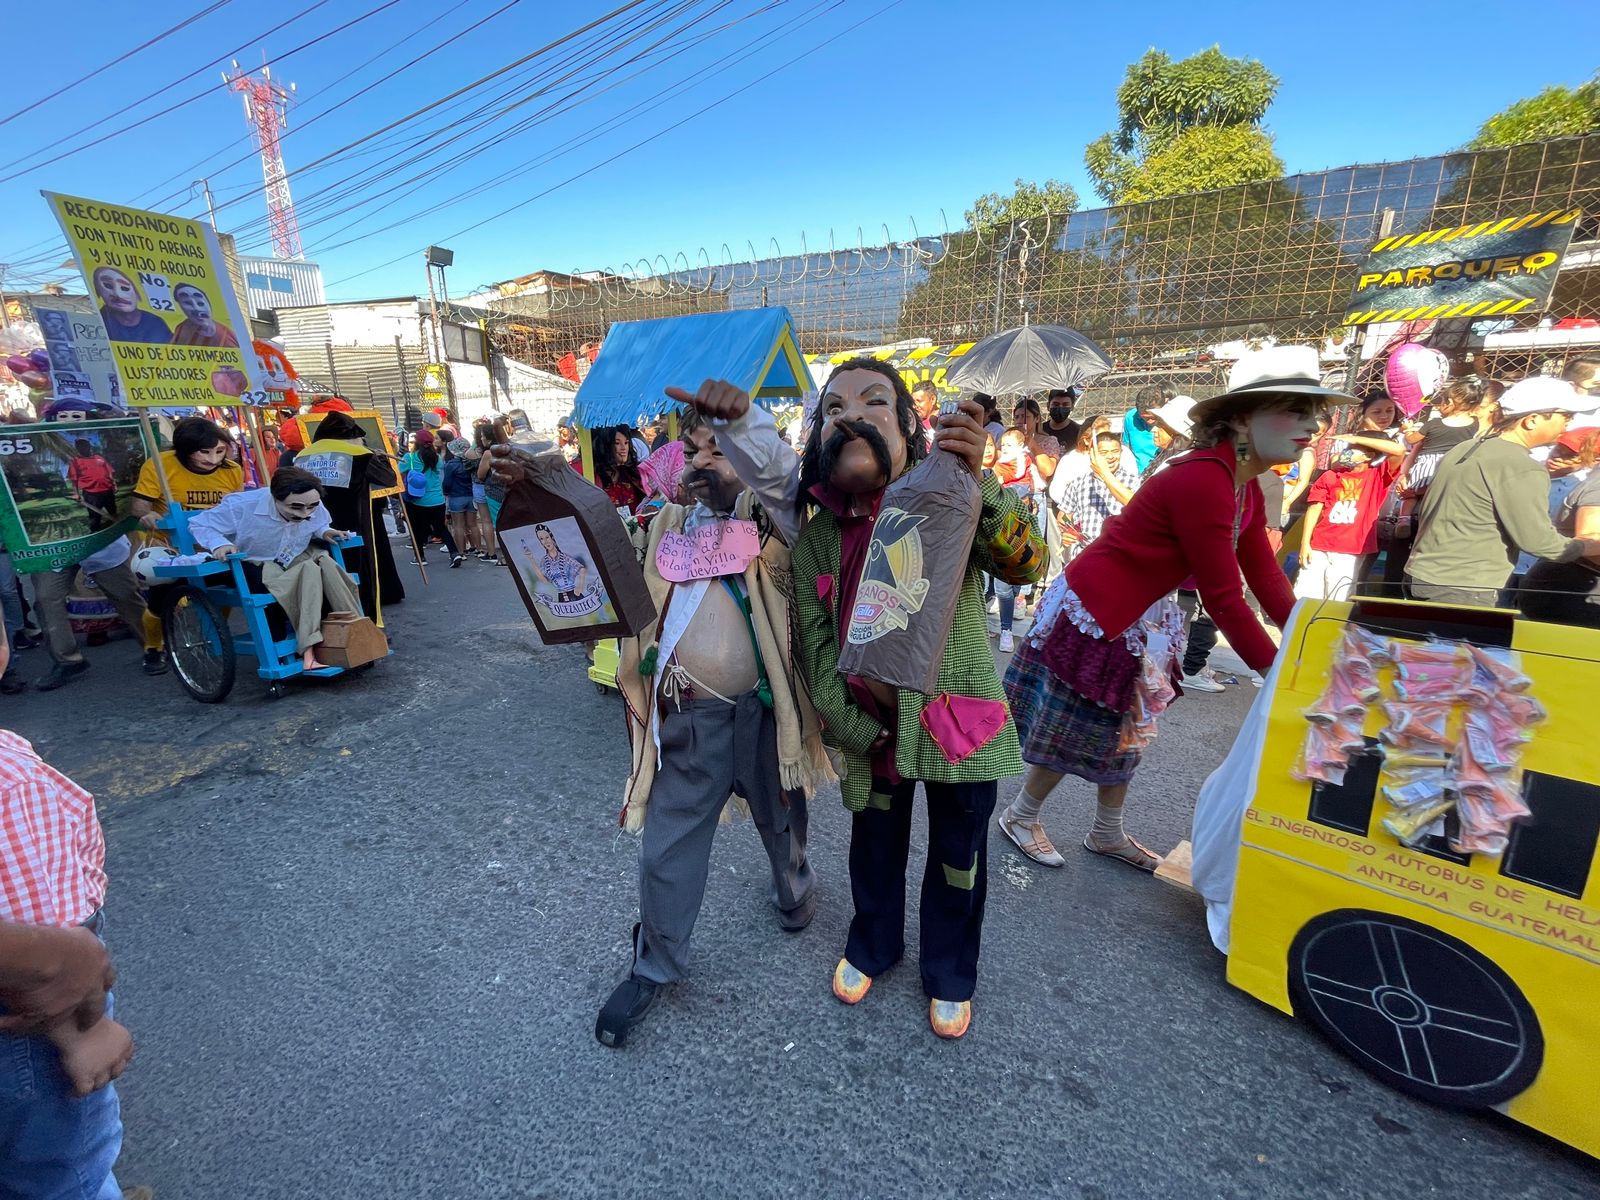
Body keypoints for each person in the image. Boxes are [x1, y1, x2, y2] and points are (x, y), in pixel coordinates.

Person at [683, 360, 1046, 1040]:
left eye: (875, 402)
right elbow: (815, 646)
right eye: (834, 408)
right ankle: (873, 941)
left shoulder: (951, 500)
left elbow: (1029, 565)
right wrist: (850, 724)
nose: (851, 416)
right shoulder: (819, 537)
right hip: (870, 731)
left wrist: (983, 484)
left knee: (959, 858)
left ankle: (950, 969)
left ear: (910, 428)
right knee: (873, 848)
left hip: (958, 728)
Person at [508, 405, 829, 1048]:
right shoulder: (663, 527)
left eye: (721, 449)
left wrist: (749, 436)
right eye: (696, 450)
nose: (704, 461)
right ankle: (654, 962)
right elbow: (584, 542)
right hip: (688, 719)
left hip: (764, 716)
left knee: (783, 817)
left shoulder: (775, 521)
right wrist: (534, 483)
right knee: (666, 847)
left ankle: (794, 889)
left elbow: (785, 483)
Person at [998, 346, 1338, 873]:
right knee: (1078, 726)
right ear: (1242, 419)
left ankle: (1106, 831)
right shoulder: (1204, 479)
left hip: (1144, 616)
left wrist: (1308, 642)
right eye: (1296, 411)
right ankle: (1021, 815)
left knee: (1131, 730)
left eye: (1313, 413)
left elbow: (1265, 576)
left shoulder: (1241, 485)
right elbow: (1224, 597)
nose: (1312, 426)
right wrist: (1279, 670)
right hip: (1101, 613)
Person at [1, 632, 137, 1195]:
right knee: (63, 1175)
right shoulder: (10, 781)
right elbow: (49, 952)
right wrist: (84, 1031)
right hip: (32, 1029)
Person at [1408, 377, 1600, 607]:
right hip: (1463, 586)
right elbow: (1541, 542)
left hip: (1422, 573)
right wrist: (1589, 545)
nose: (1568, 424)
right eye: (1565, 416)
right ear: (1532, 420)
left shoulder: (1467, 447)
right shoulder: (1522, 466)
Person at [188, 468, 359, 672]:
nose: (304, 513)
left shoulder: (310, 500)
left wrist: (325, 531)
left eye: (311, 507)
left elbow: (318, 523)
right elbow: (200, 524)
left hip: (292, 556)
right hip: (252, 562)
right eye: (295, 507)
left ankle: (345, 636)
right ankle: (290, 646)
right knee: (283, 582)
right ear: (275, 497)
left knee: (324, 569)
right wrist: (220, 544)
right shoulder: (242, 505)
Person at [130, 416, 246, 675]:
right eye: (204, 452)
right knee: (160, 600)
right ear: (185, 449)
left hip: (212, 544)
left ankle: (215, 632)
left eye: (219, 451)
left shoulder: (232, 470)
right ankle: (153, 647)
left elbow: (236, 507)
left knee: (227, 586)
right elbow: (138, 505)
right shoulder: (160, 464)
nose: (213, 459)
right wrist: (147, 514)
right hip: (169, 544)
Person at [305, 410, 405, 621]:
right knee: (360, 575)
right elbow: (388, 479)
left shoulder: (304, 456)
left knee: (325, 575)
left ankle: (330, 623)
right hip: (354, 526)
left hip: (315, 525)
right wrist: (379, 458)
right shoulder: (359, 456)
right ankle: (364, 624)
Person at [1293, 434, 1406, 602]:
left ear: (1369, 456)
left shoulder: (1376, 476)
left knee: (1338, 596)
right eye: (1347, 448)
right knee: (1305, 593)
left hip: (1351, 549)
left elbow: (1399, 450)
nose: (1346, 453)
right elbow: (1314, 509)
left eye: (1353, 449)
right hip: (1319, 544)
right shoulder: (1330, 475)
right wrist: (1305, 544)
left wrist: (1356, 438)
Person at [399, 441, 460, 566]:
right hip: (437, 499)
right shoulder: (437, 457)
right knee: (441, 527)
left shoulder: (409, 457)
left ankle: (420, 557)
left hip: (417, 499)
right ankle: (454, 553)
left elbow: (398, 470)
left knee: (416, 529)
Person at [92, 267, 170, 345]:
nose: (118, 294)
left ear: (137, 292)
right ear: (99, 291)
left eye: (125, 288)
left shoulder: (156, 323)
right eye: (108, 286)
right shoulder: (98, 323)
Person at [587, 425, 646, 511]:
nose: (624, 448)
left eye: (626, 443)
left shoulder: (634, 474)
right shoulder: (592, 477)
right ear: (605, 446)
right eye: (617, 443)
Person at [67, 439, 118, 532]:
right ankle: (95, 532)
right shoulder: (75, 461)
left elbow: (109, 471)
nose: (83, 447)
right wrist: (76, 494)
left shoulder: (99, 458)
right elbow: (74, 479)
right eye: (80, 445)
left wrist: (114, 484)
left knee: (113, 512)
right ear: (77, 448)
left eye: (85, 445)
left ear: (89, 446)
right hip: (91, 494)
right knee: (95, 517)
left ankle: (116, 529)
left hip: (107, 490)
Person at [1124, 382, 1174, 474]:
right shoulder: (1131, 418)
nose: (1149, 421)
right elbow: (1126, 449)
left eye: (1153, 417)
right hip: (1139, 474)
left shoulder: (1173, 421)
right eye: (1144, 418)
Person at [441, 438, 477, 566]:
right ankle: (478, 549)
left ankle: (461, 552)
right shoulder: (471, 462)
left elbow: (447, 483)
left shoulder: (450, 465)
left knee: (458, 526)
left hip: (456, 496)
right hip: (471, 495)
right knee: (473, 524)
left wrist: (445, 492)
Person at [169, 283, 240, 348]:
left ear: (208, 304)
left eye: (200, 303)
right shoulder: (183, 329)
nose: (197, 308)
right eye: (188, 303)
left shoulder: (229, 335)